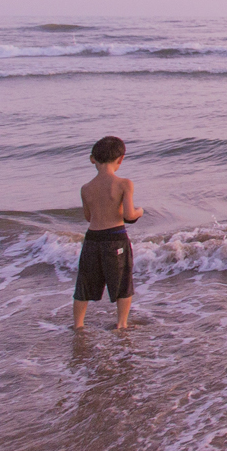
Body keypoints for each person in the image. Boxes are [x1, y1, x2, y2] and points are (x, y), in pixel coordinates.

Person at [74, 136, 143, 330]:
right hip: (115, 238)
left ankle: (78, 325)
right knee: (122, 283)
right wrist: (140, 211)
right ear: (120, 159)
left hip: (92, 240)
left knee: (84, 284)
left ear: (92, 159)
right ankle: (121, 324)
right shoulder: (124, 184)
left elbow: (89, 217)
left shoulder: (86, 188)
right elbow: (129, 215)